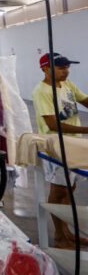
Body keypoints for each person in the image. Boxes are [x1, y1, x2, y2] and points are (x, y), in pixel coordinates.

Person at [32, 53, 87, 249]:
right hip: (56, 146)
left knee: (69, 189)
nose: (66, 71)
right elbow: (53, 125)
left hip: (73, 145)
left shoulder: (67, 84)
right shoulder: (41, 92)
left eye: (67, 67)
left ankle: (67, 233)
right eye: (61, 67)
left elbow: (85, 100)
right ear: (45, 69)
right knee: (58, 190)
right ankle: (60, 237)